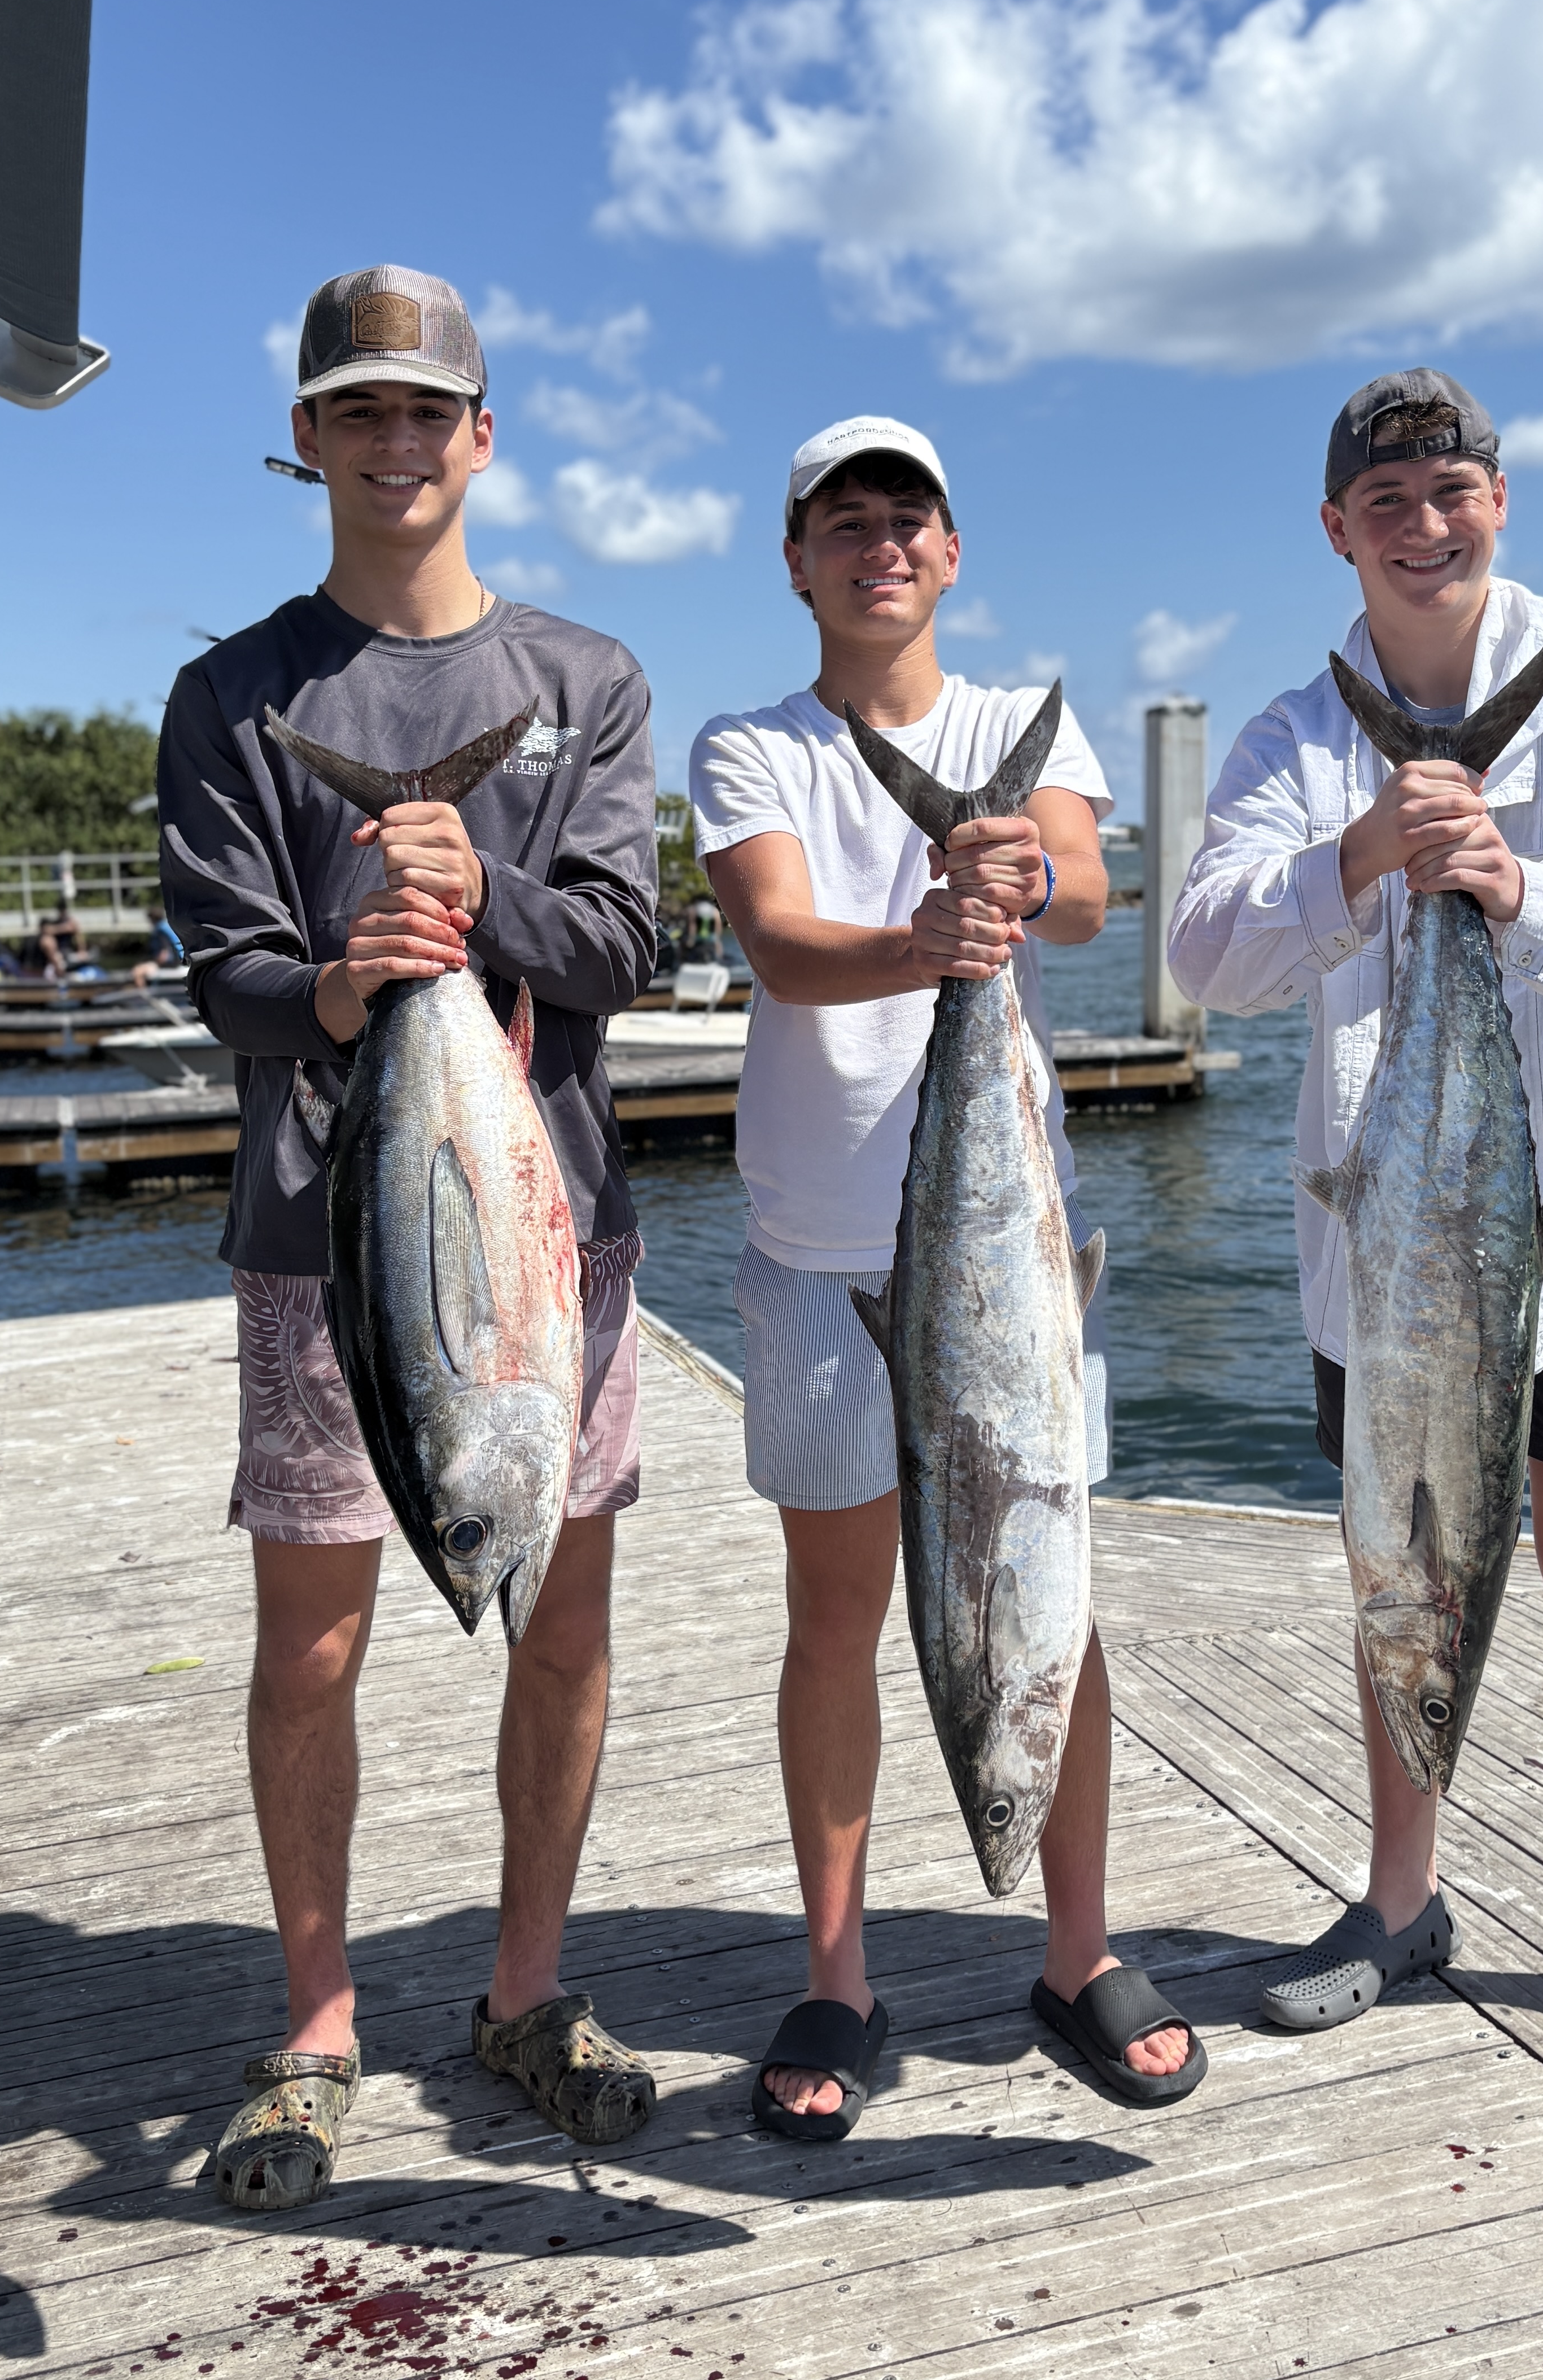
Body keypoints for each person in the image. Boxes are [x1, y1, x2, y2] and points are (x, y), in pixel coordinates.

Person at [1168, 370, 1543, 2098]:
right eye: (1387, 500)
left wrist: (1518, 885)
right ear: (1335, 529)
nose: (1423, 527)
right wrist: (1361, 850)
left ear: (1498, 501)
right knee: (1394, 1567)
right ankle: (1397, 1903)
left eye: (1453, 492)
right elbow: (1205, 958)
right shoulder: (1298, 734)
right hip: (1394, 1249)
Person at [158, 267, 661, 2210]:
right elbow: (226, 977)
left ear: (482, 430)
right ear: (306, 436)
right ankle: (315, 2020)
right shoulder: (236, 694)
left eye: (425, 407)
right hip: (321, 1233)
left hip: (559, 1240)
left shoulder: (589, 679)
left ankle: (525, 1994)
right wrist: (350, 984)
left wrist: (484, 894)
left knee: (565, 1622)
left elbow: (625, 946)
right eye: (356, 409)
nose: (394, 439)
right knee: (315, 1645)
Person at [689, 417, 1207, 2137]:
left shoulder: (1006, 727)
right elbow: (772, 938)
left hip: (1010, 1259)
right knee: (835, 1619)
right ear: (796, 562)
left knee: (1056, 1604)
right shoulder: (749, 744)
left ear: (950, 552)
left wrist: (1023, 872)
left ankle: (1076, 1953)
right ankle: (836, 1975)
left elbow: (1080, 888)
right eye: (842, 523)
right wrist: (930, 935)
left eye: (906, 520)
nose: (877, 545)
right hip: (818, 1246)